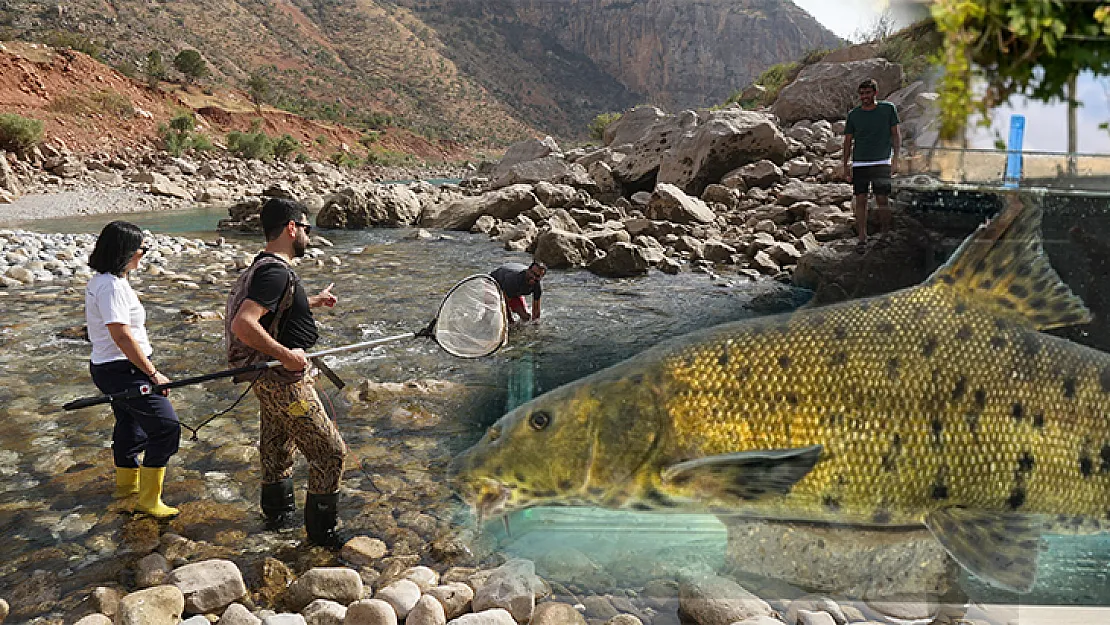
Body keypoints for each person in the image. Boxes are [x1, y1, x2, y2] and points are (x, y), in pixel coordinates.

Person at [227, 197, 348, 547]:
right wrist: (287, 357)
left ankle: (277, 522)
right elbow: (244, 324)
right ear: (291, 228)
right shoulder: (276, 271)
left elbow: (268, 309)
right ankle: (322, 540)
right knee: (329, 453)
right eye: (306, 229)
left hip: (263, 378)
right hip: (282, 380)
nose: (309, 236)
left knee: (279, 447)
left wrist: (312, 303)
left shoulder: (261, 267)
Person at [85, 221, 180, 518]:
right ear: (124, 251)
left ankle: (127, 487)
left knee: (131, 424)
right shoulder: (111, 287)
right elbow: (122, 335)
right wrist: (153, 374)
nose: (144, 255)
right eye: (142, 249)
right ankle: (149, 500)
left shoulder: (107, 280)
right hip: (123, 369)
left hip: (112, 367)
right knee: (166, 428)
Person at [842, 77, 901, 251]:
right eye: (861, 94)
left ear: (875, 93)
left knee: (882, 199)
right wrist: (845, 165)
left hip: (882, 161)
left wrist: (896, 158)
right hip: (860, 162)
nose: (864, 97)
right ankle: (862, 237)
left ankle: (885, 234)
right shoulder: (854, 115)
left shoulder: (888, 109)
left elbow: (896, 135)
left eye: (868, 93)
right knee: (860, 199)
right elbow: (847, 141)